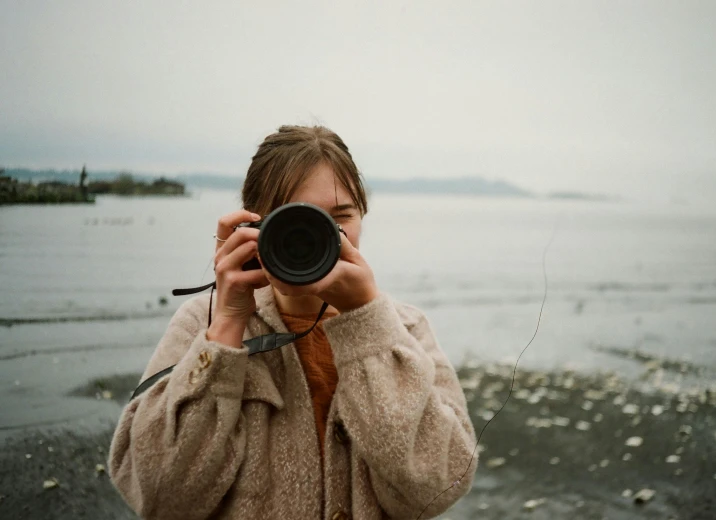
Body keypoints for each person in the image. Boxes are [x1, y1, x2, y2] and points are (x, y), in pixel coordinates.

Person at [108, 125, 478, 519]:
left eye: (339, 218)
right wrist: (228, 325)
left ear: (362, 218)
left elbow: (440, 486)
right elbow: (159, 498)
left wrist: (365, 320)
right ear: (249, 226)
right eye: (294, 221)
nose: (313, 238)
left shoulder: (404, 328)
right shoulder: (204, 321)